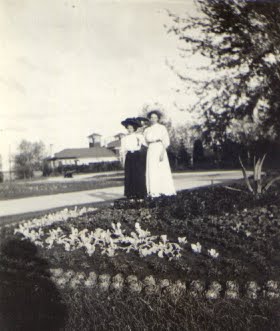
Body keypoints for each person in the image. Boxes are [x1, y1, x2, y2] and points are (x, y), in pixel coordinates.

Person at [144, 110, 176, 197]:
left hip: (159, 148)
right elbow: (145, 142)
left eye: (155, 117)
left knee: (161, 169)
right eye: (151, 117)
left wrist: (162, 152)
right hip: (151, 149)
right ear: (149, 119)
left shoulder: (162, 128)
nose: (153, 119)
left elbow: (166, 141)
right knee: (152, 169)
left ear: (158, 118)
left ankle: (165, 190)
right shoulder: (147, 130)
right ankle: (154, 192)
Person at [120, 118, 147, 200]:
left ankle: (140, 195)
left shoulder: (139, 136)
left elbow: (145, 145)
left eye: (131, 128)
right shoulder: (124, 138)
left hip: (137, 156)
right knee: (129, 176)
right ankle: (130, 195)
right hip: (129, 156)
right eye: (128, 128)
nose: (129, 129)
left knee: (139, 175)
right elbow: (122, 150)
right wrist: (122, 160)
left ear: (134, 128)